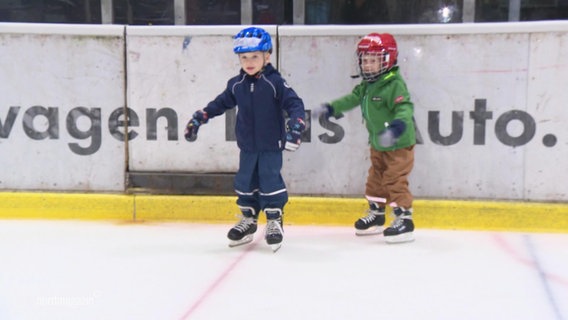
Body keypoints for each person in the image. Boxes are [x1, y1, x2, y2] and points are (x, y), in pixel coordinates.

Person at [184, 27, 306, 252]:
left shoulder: (275, 82)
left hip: (270, 146)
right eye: (244, 57)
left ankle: (273, 220)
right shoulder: (236, 84)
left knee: (270, 180)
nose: (249, 62)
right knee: (245, 182)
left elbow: (295, 104)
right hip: (247, 147)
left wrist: (296, 125)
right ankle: (248, 220)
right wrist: (202, 116)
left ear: (267, 56)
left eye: (255, 56)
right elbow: (220, 103)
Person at [314, 33, 416, 243]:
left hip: (398, 145)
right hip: (378, 144)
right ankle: (377, 215)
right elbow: (352, 99)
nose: (367, 65)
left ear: (387, 60)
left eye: (373, 60)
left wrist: (396, 128)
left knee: (394, 180)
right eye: (365, 60)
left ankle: (405, 219)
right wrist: (332, 107)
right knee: (375, 179)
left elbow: (404, 108)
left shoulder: (394, 84)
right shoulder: (368, 85)